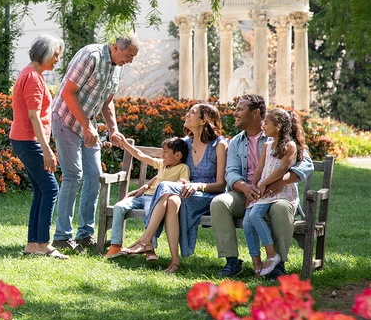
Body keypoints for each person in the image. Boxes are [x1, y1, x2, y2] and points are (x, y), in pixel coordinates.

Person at [210, 94, 314, 280]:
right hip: (246, 193)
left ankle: (278, 265)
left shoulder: (279, 137)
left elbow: (306, 164)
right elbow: (231, 172)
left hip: (276, 194)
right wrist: (245, 187)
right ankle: (232, 262)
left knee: (281, 208)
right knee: (219, 203)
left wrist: (281, 181)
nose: (235, 113)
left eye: (240, 109)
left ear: (256, 112)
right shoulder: (235, 142)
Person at [51, 34, 140, 251]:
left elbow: (107, 101)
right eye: (128, 55)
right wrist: (86, 125)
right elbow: (68, 92)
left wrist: (113, 129)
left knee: (94, 176)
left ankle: (85, 235)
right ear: (115, 47)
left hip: (86, 124)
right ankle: (62, 237)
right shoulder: (90, 56)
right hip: (65, 119)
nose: (130, 61)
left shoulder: (117, 66)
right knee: (74, 176)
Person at [124, 103, 228, 273]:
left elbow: (221, 184)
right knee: (172, 200)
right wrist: (146, 186)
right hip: (182, 193)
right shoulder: (185, 144)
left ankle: (146, 240)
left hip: (208, 195)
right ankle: (174, 262)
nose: (187, 115)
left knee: (166, 188)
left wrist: (197, 186)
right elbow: (166, 170)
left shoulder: (219, 145)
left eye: (192, 112)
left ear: (204, 120)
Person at [9, 34, 68, 259]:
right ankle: (43, 244)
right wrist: (47, 150)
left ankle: (33, 245)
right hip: (28, 141)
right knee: (51, 188)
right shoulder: (32, 77)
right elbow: (33, 115)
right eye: (55, 56)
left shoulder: (32, 74)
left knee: (41, 190)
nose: (56, 60)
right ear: (44, 54)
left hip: (24, 140)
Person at [243, 108, 308, 277]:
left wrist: (264, 184)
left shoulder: (290, 146)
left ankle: (272, 255)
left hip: (281, 192)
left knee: (255, 215)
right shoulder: (266, 145)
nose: (262, 126)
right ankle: (257, 262)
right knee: (247, 221)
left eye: (266, 123)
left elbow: (282, 169)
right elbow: (259, 169)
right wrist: (254, 187)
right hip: (264, 191)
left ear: (278, 126)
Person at [104, 137, 190, 259]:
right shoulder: (162, 164)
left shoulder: (183, 168)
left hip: (157, 199)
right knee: (119, 206)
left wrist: (182, 182)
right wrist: (124, 144)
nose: (162, 154)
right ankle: (116, 245)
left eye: (165, 152)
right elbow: (140, 156)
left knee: (152, 211)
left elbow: (183, 183)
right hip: (143, 196)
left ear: (178, 155)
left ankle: (150, 248)